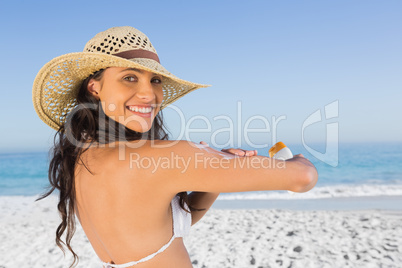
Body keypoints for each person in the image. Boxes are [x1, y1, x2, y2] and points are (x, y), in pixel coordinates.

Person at [32, 26, 318, 268]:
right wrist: (300, 162)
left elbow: (159, 227)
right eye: (129, 77)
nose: (148, 93)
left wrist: (213, 179)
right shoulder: (163, 157)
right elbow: (303, 179)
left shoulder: (82, 158)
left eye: (155, 80)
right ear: (95, 87)